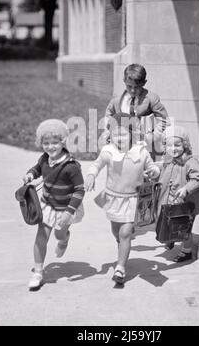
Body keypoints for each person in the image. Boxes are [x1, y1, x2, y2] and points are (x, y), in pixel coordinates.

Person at [85, 113, 160, 284]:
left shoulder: (141, 152)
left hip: (134, 199)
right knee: (116, 231)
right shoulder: (108, 152)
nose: (119, 138)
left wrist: (154, 172)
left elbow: (153, 168)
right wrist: (91, 176)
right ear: (109, 135)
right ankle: (122, 245)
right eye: (115, 134)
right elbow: (96, 165)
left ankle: (120, 268)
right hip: (113, 198)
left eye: (124, 134)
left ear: (133, 134)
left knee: (125, 232)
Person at [23, 119, 85, 290]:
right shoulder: (44, 158)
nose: (50, 147)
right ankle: (38, 271)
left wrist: (69, 211)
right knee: (41, 236)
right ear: (41, 143)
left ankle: (64, 239)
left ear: (63, 142)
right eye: (46, 143)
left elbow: (80, 190)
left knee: (59, 235)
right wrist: (30, 175)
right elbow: (37, 168)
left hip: (65, 208)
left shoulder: (71, 166)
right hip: (48, 204)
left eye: (55, 143)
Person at [157, 126, 199, 263]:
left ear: (185, 145)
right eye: (169, 145)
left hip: (186, 202)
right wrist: (153, 173)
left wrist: (186, 189)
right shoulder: (168, 160)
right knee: (167, 221)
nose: (173, 148)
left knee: (184, 227)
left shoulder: (190, 162)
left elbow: (197, 180)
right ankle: (170, 238)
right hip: (171, 199)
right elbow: (163, 174)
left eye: (177, 145)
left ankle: (186, 251)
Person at [104, 64, 169, 159]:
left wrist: (152, 137)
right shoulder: (117, 99)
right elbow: (108, 115)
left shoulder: (152, 99)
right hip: (121, 144)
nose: (133, 90)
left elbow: (164, 121)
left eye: (137, 87)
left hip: (143, 146)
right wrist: (109, 133)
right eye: (129, 86)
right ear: (124, 81)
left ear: (144, 83)